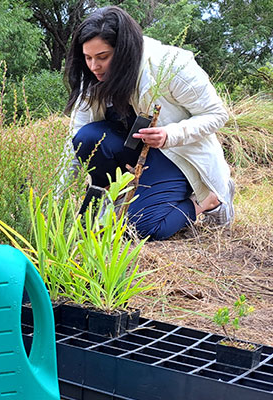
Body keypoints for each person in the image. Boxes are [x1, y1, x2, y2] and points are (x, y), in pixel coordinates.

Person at [63, 6, 234, 240]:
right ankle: (115, 198)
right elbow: (76, 140)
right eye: (88, 57)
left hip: (173, 152)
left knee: (141, 227)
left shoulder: (170, 66)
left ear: (123, 51)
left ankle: (203, 201)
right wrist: (55, 200)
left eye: (103, 57)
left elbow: (216, 114)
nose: (94, 67)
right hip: (132, 149)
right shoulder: (92, 79)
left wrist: (170, 135)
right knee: (87, 138)